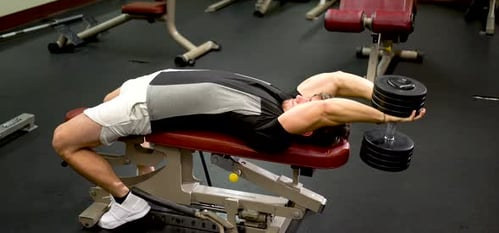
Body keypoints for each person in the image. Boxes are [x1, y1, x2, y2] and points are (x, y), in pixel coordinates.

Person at [52, 68, 426, 229]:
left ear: (307, 129)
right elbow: (338, 81)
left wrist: (382, 119)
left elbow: (327, 107)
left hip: (145, 107)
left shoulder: (271, 128)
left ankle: (127, 201)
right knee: (104, 101)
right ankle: (149, 175)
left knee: (64, 140)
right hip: (150, 83)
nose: (305, 97)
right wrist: (389, 98)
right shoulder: (288, 100)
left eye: (309, 105)